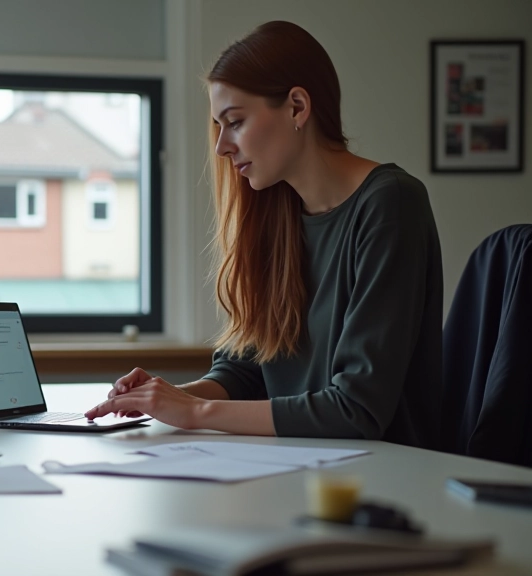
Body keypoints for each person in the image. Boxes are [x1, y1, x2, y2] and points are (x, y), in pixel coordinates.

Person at [85, 21, 444, 448]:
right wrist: (168, 397)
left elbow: (356, 409)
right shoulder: (279, 213)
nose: (221, 147)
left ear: (296, 107)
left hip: (382, 475)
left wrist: (194, 411)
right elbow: (247, 370)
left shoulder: (391, 204)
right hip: (298, 460)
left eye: (234, 122)